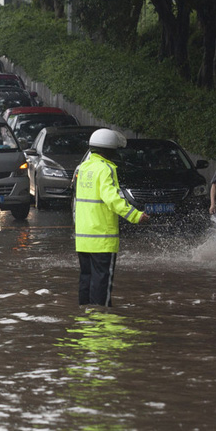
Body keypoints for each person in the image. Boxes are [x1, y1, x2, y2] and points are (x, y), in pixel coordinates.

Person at [74, 128, 149, 306]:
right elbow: (113, 199)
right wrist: (136, 216)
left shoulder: (84, 167)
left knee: (86, 278)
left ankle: (85, 316)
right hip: (102, 238)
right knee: (102, 282)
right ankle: (101, 318)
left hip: (83, 238)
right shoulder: (106, 169)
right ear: (107, 149)